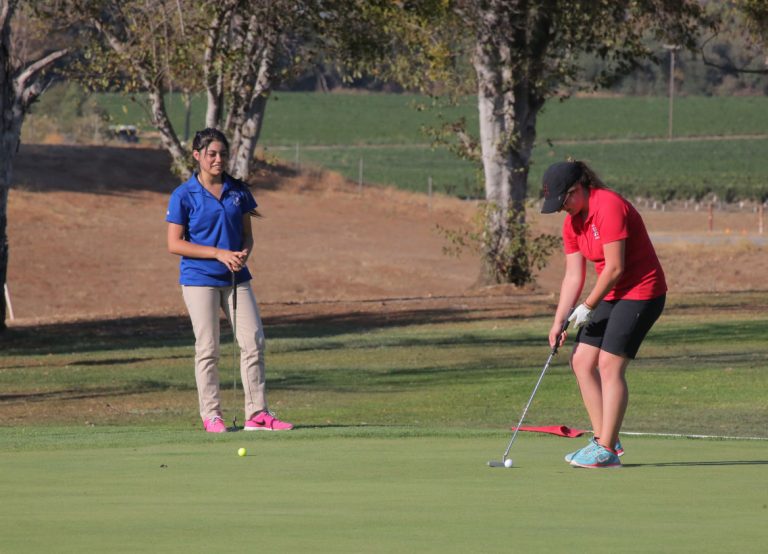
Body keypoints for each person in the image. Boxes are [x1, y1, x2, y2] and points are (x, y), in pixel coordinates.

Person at [166, 128, 293, 433]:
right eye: (211, 154)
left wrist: (242, 255)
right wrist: (218, 254)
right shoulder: (183, 195)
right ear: (197, 156)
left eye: (223, 154)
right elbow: (175, 243)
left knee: (253, 342)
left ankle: (257, 414)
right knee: (208, 348)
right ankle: (212, 415)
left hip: (237, 278)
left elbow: (247, 235)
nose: (218, 159)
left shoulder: (238, 191)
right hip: (199, 280)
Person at [540, 160, 666, 468]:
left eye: (565, 200)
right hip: (610, 293)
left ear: (578, 189)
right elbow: (573, 275)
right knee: (582, 361)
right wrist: (559, 321)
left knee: (609, 365)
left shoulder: (608, 205)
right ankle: (606, 436)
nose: (563, 208)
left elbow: (615, 267)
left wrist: (587, 307)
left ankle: (606, 449)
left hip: (641, 292)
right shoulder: (572, 223)